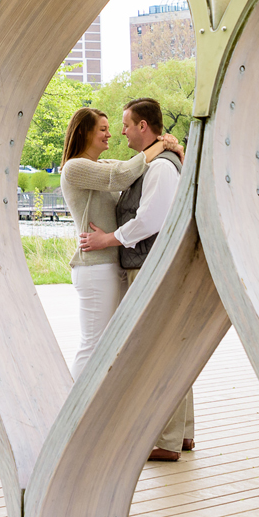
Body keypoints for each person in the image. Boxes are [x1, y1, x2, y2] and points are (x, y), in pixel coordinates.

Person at [81, 98, 196, 460]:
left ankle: (165, 440)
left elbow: (150, 220)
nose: (121, 130)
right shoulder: (156, 163)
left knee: (155, 351)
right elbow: (118, 171)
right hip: (153, 265)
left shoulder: (160, 169)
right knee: (169, 347)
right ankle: (182, 435)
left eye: (127, 124)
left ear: (144, 126)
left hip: (149, 267)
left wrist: (108, 239)